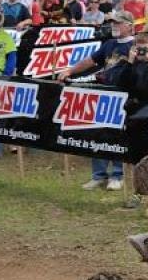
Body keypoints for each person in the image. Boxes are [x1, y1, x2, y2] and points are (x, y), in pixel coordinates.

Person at [59, 11, 137, 191]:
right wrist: (70, 71)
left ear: (129, 25)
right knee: (98, 133)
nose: (114, 26)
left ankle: (117, 175)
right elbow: (91, 60)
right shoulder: (109, 44)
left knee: (117, 135)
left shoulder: (135, 46)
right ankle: (98, 175)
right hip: (104, 94)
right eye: (112, 23)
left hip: (124, 96)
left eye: (118, 23)